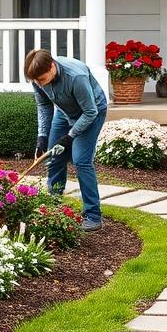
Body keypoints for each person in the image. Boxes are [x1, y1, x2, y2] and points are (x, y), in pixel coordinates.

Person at [24, 49, 108, 231]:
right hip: (64, 113)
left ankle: (93, 216)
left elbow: (90, 112)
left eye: (41, 79)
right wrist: (42, 136)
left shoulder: (75, 76)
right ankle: (53, 206)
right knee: (54, 157)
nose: (39, 84)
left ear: (52, 66)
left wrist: (69, 137)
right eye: (36, 81)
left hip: (91, 112)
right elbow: (44, 105)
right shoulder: (37, 78)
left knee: (81, 161)